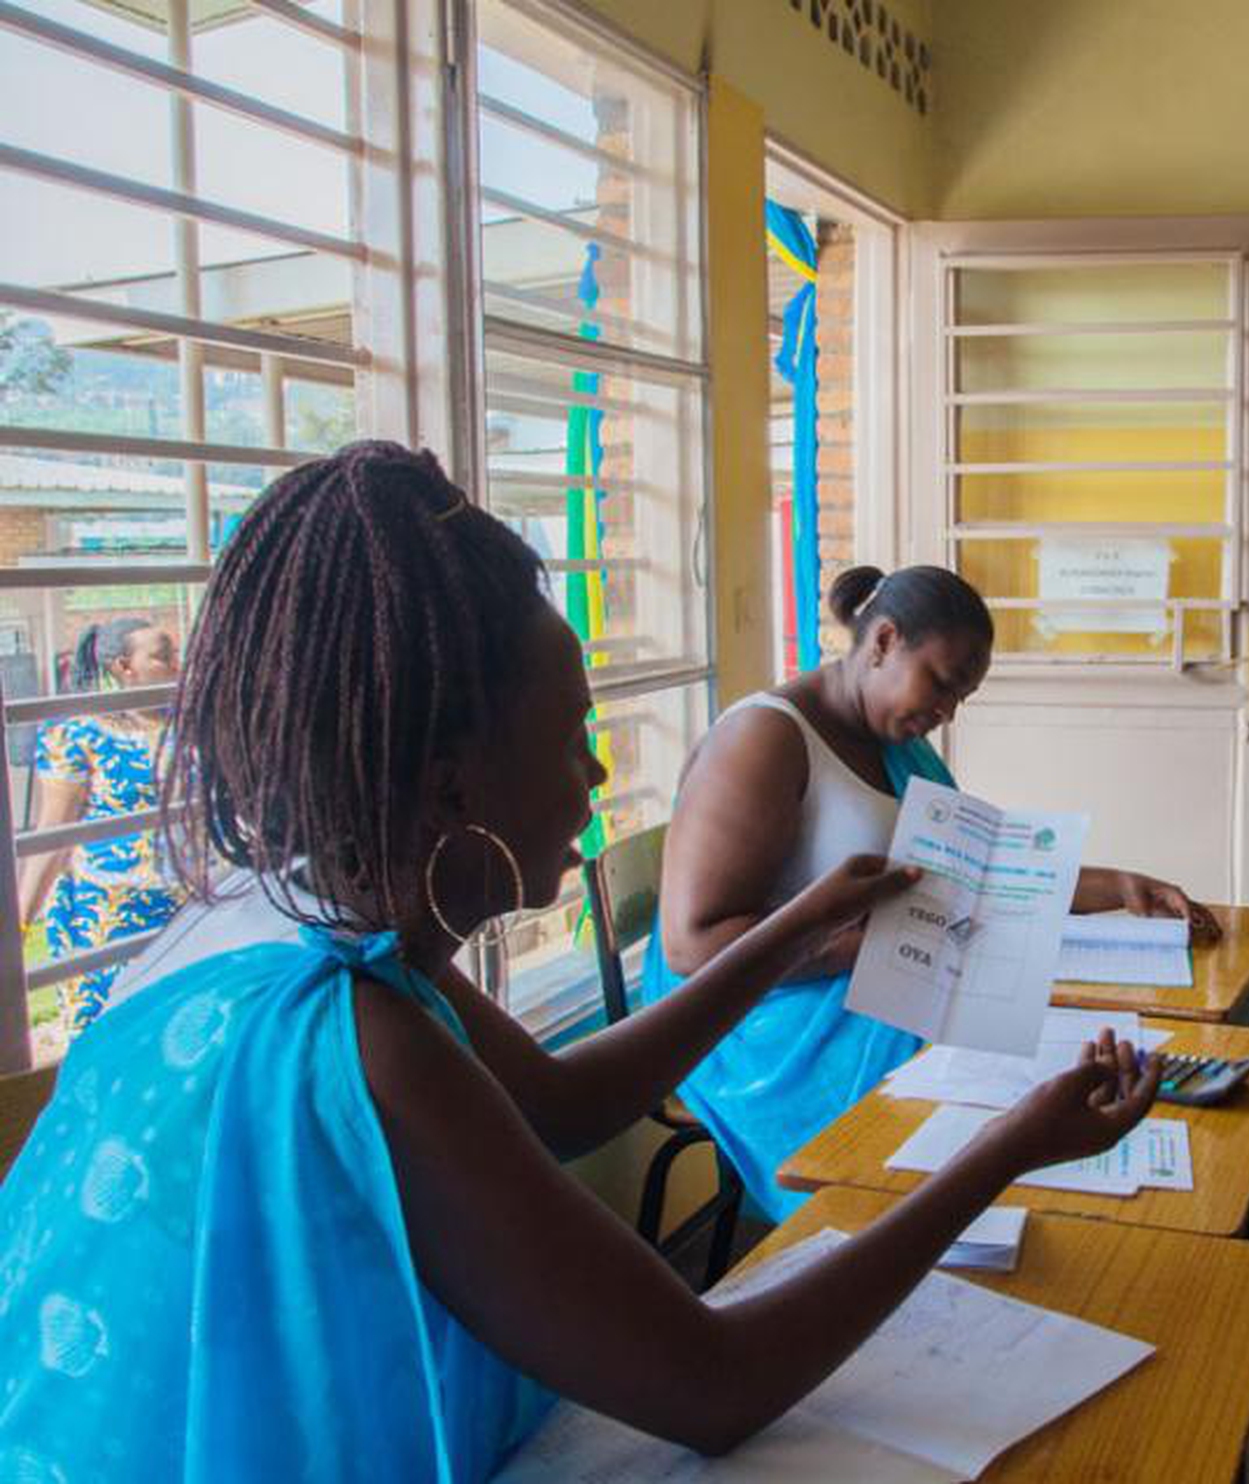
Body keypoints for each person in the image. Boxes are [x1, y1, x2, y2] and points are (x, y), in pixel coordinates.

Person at [0, 443, 1163, 1482]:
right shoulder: (356, 1033)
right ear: (454, 777)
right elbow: (712, 1385)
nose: (600, 777)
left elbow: (568, 1101)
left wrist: (788, 933)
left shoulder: (308, 918)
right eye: (570, 736)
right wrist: (1009, 1144)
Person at [646, 563, 1220, 1219]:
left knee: (1041, 1059)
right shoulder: (763, 740)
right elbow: (693, 949)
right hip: (760, 1025)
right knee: (994, 1102)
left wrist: (1119, 885)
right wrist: (877, 945)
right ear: (884, 642)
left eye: (960, 699)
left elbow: (978, 872)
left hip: (873, 982)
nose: (944, 713)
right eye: (940, 684)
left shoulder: (890, 741)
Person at [16, 616, 188, 1031]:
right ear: (123, 668)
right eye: (164, 657)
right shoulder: (78, 735)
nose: (177, 665)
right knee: (115, 1034)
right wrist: (20, 925)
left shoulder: (188, 725)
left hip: (183, 910)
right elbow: (53, 838)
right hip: (108, 918)